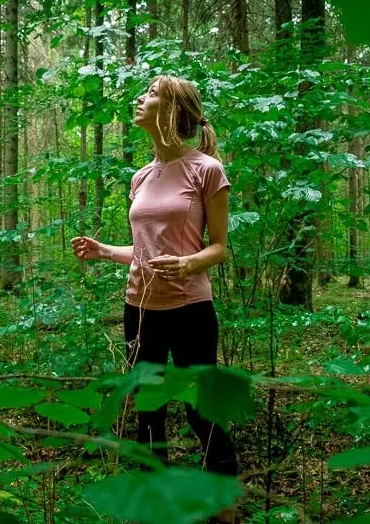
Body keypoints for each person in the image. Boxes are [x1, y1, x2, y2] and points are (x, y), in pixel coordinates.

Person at [71, 75, 238, 524]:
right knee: (148, 411)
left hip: (190, 308)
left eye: (150, 95)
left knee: (200, 410)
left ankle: (224, 508)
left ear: (172, 109)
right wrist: (104, 250)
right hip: (139, 308)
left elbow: (219, 245)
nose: (139, 100)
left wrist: (187, 264)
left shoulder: (206, 169)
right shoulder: (140, 176)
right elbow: (141, 249)